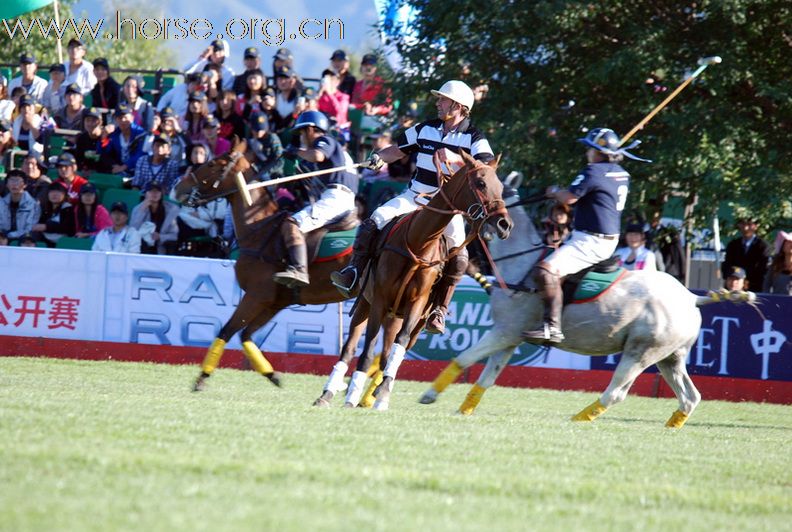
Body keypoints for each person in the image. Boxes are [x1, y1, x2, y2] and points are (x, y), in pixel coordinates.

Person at [331, 80, 490, 334]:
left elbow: (485, 167)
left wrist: (455, 159)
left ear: (459, 106)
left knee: (460, 257)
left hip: (447, 209)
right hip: (414, 196)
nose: (438, 103)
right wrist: (378, 158)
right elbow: (398, 150)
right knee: (374, 220)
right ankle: (353, 272)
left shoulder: (474, 137)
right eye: (439, 99)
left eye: (443, 100)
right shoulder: (425, 128)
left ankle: (439, 310)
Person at [522, 127, 649, 343]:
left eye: (589, 148)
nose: (587, 152)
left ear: (597, 151)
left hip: (590, 240)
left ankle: (551, 328)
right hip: (605, 238)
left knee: (544, 271)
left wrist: (553, 191)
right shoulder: (621, 173)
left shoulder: (593, 171)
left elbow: (569, 198)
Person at [272, 110, 358, 287]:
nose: (302, 138)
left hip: (335, 198)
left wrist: (297, 151)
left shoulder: (324, 140)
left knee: (291, 223)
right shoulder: (342, 153)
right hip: (343, 198)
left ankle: (299, 270)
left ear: (311, 129)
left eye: (302, 133)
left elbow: (317, 155)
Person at [721, 217, 771, 293]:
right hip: (732, 289)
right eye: (743, 224)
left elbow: (762, 269)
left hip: (754, 289)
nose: (746, 228)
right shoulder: (733, 245)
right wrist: (733, 279)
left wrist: (744, 281)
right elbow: (727, 265)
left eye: (749, 224)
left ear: (756, 226)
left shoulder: (763, 246)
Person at [130, 182, 179, 255]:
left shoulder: (172, 209)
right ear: (145, 193)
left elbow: (174, 236)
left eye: (157, 191)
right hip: (143, 246)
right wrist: (142, 210)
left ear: (161, 194)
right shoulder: (138, 209)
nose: (154, 194)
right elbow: (132, 230)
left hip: (162, 245)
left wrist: (160, 236)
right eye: (151, 191)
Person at [98, 104, 147, 175]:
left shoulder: (141, 133)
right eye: (120, 118)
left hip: (137, 170)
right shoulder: (114, 134)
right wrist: (104, 137)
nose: (123, 120)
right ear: (115, 119)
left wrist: (124, 167)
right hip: (118, 169)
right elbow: (104, 152)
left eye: (125, 117)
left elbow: (141, 154)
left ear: (132, 118)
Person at [0, 170, 41, 240]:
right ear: (6, 184)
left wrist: (9, 235)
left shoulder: (33, 204)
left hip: (24, 239)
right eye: (11, 180)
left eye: (18, 181)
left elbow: (30, 227)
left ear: (25, 185)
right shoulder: (1, 203)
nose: (14, 184)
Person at [33, 181, 75, 246]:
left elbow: (69, 228)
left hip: (61, 243)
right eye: (52, 192)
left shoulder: (68, 208)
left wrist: (46, 227)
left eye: (58, 192)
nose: (54, 194)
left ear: (65, 195)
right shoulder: (46, 209)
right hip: (45, 240)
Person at [247, 112, 283, 180]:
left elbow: (279, 159)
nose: (259, 132)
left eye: (262, 129)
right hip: (256, 169)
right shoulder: (250, 139)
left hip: (273, 172)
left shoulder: (272, 138)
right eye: (256, 130)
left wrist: (266, 171)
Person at [74, 107, 108, 172]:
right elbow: (79, 159)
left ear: (100, 122)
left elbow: (108, 158)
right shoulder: (81, 138)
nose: (90, 123)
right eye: (87, 120)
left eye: (94, 120)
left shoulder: (106, 137)